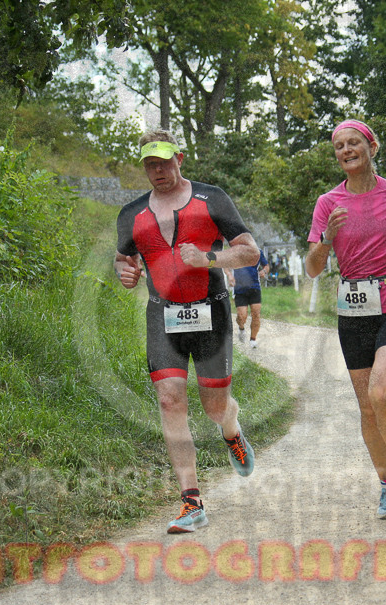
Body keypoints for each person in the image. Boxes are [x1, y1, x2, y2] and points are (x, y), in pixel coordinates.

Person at [115, 130, 261, 534]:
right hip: (162, 317)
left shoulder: (211, 198)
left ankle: (231, 430)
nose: (157, 170)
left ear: (180, 158)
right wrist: (125, 271)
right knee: (169, 399)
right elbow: (122, 257)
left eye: (164, 161)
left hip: (211, 313)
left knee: (215, 408)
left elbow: (250, 250)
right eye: (149, 164)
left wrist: (210, 258)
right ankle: (191, 501)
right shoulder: (131, 213)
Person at [305, 119, 386, 520]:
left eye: (353, 142)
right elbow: (311, 268)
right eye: (339, 145)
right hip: (353, 308)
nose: (346, 150)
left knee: (381, 392)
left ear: (371, 146)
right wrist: (326, 240)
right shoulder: (327, 203)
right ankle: (385, 486)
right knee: (366, 407)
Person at [225, 249, 270, 348]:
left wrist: (264, 271)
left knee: (256, 314)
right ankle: (241, 329)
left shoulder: (257, 251)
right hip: (239, 289)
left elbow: (266, 266)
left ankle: (253, 339)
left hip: (254, 288)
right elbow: (226, 266)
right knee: (242, 316)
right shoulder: (234, 252)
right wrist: (229, 275)